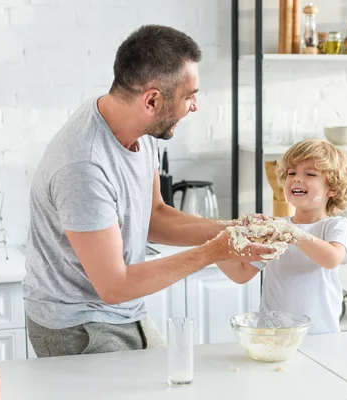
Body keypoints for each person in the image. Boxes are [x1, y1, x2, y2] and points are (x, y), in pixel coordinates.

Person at [23, 25, 273, 357]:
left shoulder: (138, 130)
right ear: (152, 100)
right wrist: (215, 251)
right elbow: (114, 285)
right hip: (78, 324)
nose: (194, 106)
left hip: (126, 311)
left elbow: (154, 215)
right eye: (189, 95)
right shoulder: (82, 166)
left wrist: (233, 230)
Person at [217, 139, 347, 334]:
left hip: (320, 333)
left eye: (309, 174)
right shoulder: (275, 228)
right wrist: (214, 247)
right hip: (273, 334)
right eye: (292, 173)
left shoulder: (334, 225)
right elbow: (241, 274)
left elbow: (332, 258)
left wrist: (293, 233)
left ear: (332, 188)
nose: (297, 179)